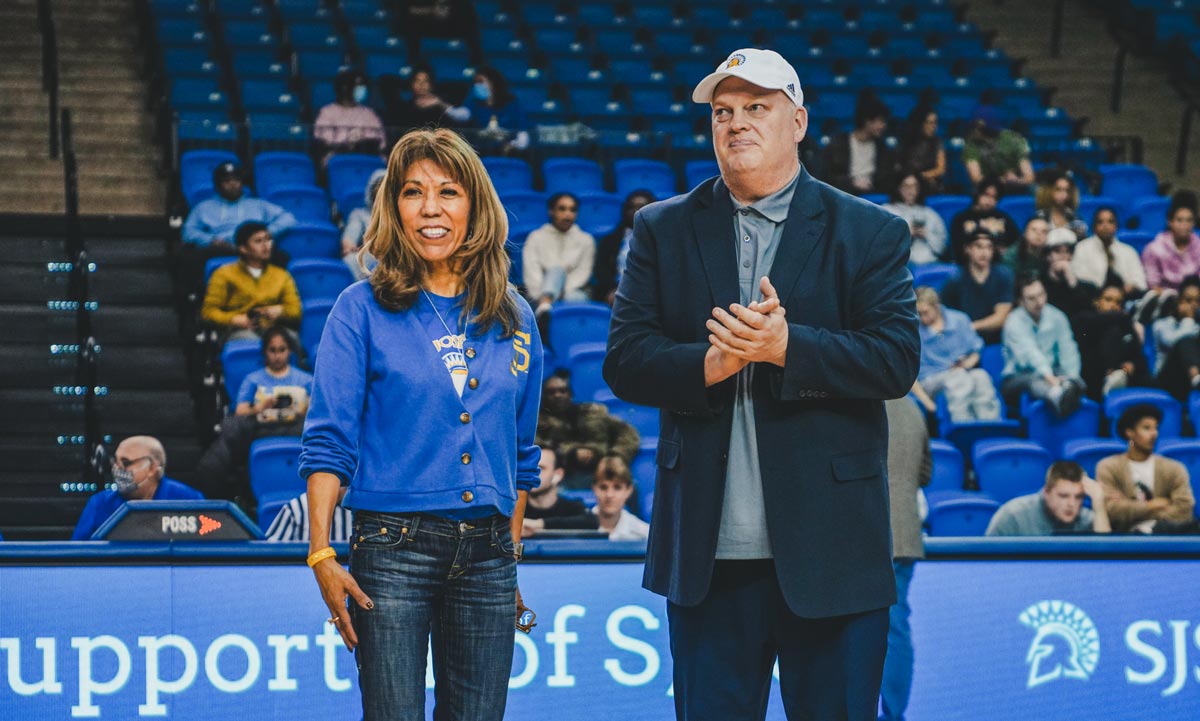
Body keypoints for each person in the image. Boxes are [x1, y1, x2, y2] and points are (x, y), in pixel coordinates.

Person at [603, 48, 919, 720]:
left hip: (834, 557)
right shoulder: (662, 228)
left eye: (756, 108)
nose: (736, 123)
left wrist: (787, 348)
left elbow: (895, 359)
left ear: (798, 121)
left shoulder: (869, 232)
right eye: (722, 112)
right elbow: (626, 359)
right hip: (708, 562)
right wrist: (708, 365)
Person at [298, 128, 544, 720]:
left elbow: (521, 453)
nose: (431, 209)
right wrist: (321, 555)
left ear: (475, 207)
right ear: (395, 209)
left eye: (449, 192)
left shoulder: (515, 315)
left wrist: (508, 556)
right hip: (391, 548)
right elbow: (329, 442)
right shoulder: (359, 308)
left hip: (488, 556)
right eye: (413, 193)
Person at [191, 326, 313, 504]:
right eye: (272, 350)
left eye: (282, 350)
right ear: (265, 352)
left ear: (290, 351)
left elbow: (318, 410)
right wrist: (260, 407)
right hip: (261, 427)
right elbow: (240, 411)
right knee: (235, 426)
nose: (277, 355)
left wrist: (304, 407)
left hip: (296, 427)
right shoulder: (253, 379)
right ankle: (214, 480)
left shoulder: (306, 380)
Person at [879, 397, 931, 721]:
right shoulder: (914, 409)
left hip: (866, 534)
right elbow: (926, 472)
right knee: (896, 627)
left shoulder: (854, 400)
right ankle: (894, 713)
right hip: (905, 534)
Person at [180, 162, 296, 293]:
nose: (233, 184)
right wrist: (210, 240)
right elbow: (188, 231)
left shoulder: (257, 204)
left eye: (236, 180)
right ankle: (196, 298)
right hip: (221, 247)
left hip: (252, 246)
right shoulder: (204, 207)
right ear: (218, 185)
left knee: (281, 256)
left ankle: (273, 296)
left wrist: (267, 233)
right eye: (227, 181)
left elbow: (288, 218)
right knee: (187, 257)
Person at [72, 436, 204, 540]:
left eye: (126, 463)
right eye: (115, 462)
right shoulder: (100, 503)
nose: (117, 469)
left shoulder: (189, 500)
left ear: (152, 468)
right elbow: (77, 555)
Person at [1096, 404, 1197, 533]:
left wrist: (1134, 511)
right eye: (1146, 428)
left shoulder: (1174, 468)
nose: (1154, 434)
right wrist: (1151, 505)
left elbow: (1185, 510)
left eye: (1156, 428)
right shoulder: (1108, 467)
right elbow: (1111, 510)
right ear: (1130, 432)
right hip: (1124, 540)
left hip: (1166, 537)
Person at [200, 221, 302, 346]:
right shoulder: (223, 274)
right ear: (243, 248)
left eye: (268, 239)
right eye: (258, 241)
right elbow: (208, 313)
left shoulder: (281, 275)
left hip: (273, 329)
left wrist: (280, 311)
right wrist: (234, 319)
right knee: (251, 342)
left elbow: (296, 310)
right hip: (237, 330)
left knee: (289, 339)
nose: (266, 246)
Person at [535, 371, 640, 489]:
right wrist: (571, 453)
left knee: (629, 486)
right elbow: (537, 448)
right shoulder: (537, 422)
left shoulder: (593, 413)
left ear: (570, 394)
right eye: (551, 392)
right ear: (543, 396)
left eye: (562, 391)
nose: (558, 395)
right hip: (561, 475)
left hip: (601, 470)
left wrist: (616, 455)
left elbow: (628, 433)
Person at [910, 287, 1000, 422]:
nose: (922, 318)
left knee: (981, 376)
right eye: (919, 313)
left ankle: (989, 425)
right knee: (958, 378)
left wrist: (968, 362)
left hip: (962, 371)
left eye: (925, 312)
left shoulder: (959, 320)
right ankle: (961, 426)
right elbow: (910, 376)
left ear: (937, 307)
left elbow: (975, 350)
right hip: (931, 379)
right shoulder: (914, 330)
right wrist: (929, 405)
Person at [1000, 274, 1085, 417]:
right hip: (1017, 377)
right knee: (1033, 381)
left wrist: (1071, 377)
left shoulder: (1057, 316)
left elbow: (1068, 350)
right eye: (1031, 298)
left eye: (1041, 295)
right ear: (1021, 301)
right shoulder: (1013, 322)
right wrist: (1051, 380)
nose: (1039, 302)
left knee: (1078, 381)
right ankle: (1058, 396)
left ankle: (1067, 391)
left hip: (1052, 371)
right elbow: (1030, 354)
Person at [985, 461, 1111, 536]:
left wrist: (1099, 505)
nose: (1071, 504)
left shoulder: (1088, 519)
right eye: (1063, 496)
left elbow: (1106, 563)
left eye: (1078, 497)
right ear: (1046, 492)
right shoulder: (1013, 516)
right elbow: (989, 563)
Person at [521, 192, 596, 314]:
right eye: (562, 209)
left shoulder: (586, 240)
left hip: (571, 293)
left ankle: (546, 306)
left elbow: (582, 274)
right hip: (537, 295)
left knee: (574, 297)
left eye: (572, 210)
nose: (567, 214)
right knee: (557, 271)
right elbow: (531, 272)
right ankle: (545, 305)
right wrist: (542, 293)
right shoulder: (536, 237)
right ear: (551, 211)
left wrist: (559, 293)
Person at [1074, 281, 1148, 399]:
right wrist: (1125, 316)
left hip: (1122, 377)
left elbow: (1140, 358)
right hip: (1094, 378)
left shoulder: (1125, 325)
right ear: (1097, 302)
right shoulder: (1084, 319)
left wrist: (1131, 365)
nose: (1113, 305)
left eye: (1118, 302)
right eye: (1108, 300)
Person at [940, 229, 1014, 344]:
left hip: (998, 338)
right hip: (963, 339)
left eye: (989, 247)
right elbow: (947, 316)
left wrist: (971, 326)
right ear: (967, 249)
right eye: (979, 247)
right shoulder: (955, 279)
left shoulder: (1003, 275)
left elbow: (1000, 318)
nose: (984, 253)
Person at [821, 90, 896, 195]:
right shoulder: (839, 143)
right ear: (867, 121)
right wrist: (852, 183)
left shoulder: (882, 148)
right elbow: (828, 175)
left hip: (872, 196)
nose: (883, 126)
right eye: (880, 121)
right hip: (843, 194)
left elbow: (885, 178)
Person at [520, 444, 600, 537]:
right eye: (529, 468)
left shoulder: (572, 508)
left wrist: (539, 524)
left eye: (541, 468)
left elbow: (591, 522)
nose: (532, 473)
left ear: (558, 475)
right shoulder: (515, 508)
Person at [313, 68, 387, 167]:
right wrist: (348, 143)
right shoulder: (327, 112)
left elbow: (380, 141)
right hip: (338, 157)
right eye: (358, 85)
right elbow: (325, 140)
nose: (362, 88)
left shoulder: (369, 113)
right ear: (345, 87)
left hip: (365, 157)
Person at [594, 189, 656, 304]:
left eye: (642, 207)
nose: (636, 211)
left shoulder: (662, 239)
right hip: (617, 289)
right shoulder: (611, 240)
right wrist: (613, 288)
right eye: (632, 207)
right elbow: (602, 269)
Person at [1071, 206, 1148, 295]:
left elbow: (1140, 280)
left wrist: (1131, 286)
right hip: (1093, 296)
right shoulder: (1082, 248)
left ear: (1116, 226)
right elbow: (1078, 276)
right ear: (1094, 226)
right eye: (1100, 222)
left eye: (1110, 222)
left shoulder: (1128, 251)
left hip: (1124, 296)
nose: (1105, 226)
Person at [962, 105, 1034, 194]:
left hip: (1016, 187)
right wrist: (1001, 180)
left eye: (974, 126)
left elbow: (1029, 177)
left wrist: (1015, 181)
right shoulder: (971, 144)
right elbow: (976, 178)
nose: (971, 130)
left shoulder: (1013, 139)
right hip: (986, 189)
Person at [947, 178, 1019, 261]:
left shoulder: (1003, 218)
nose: (989, 200)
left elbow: (1016, 244)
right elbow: (958, 250)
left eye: (994, 197)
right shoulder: (961, 219)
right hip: (969, 266)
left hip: (999, 265)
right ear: (978, 194)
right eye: (986, 195)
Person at [461, 65, 529, 154]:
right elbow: (462, 116)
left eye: (481, 81)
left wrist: (513, 145)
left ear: (493, 83)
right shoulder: (473, 103)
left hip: (508, 155)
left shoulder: (513, 105)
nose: (477, 85)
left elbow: (523, 135)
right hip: (480, 155)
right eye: (475, 82)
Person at [1152, 275, 1200, 400]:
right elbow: (1173, 342)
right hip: (1169, 378)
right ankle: (1196, 376)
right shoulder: (1162, 324)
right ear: (1179, 302)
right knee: (1185, 341)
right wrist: (1188, 319)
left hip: (1189, 383)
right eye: (1189, 300)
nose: (1194, 305)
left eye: (1198, 301)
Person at [882, 173, 947, 265]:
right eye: (906, 185)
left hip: (931, 262)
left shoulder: (930, 214)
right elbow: (881, 246)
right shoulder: (887, 211)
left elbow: (942, 248)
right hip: (899, 264)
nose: (910, 190)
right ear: (898, 188)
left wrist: (928, 235)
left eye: (914, 186)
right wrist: (906, 235)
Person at [1142, 191, 1200, 292]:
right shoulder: (1154, 249)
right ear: (1170, 222)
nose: (1184, 225)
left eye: (1189, 220)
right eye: (1179, 220)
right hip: (1165, 300)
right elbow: (1153, 284)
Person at [381, 65, 467, 132]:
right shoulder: (404, 108)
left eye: (426, 81)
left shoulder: (440, 107)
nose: (421, 85)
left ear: (431, 84)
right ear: (411, 84)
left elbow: (462, 119)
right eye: (417, 80)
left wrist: (439, 104)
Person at [1040, 226, 1098, 321]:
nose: (1064, 256)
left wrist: (1071, 281)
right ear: (1048, 255)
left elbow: (1087, 309)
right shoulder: (1040, 280)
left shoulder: (1081, 280)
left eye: (1068, 251)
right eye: (1057, 251)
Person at [590, 455, 649, 541]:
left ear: (629, 490)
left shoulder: (644, 534)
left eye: (617, 487)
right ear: (594, 488)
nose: (609, 495)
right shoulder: (577, 528)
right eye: (603, 487)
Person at [341, 168, 385, 281]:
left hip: (394, 257)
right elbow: (350, 239)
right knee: (351, 260)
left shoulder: (402, 217)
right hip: (370, 256)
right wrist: (349, 244)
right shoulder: (360, 215)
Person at [265, 489, 354, 542]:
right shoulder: (296, 508)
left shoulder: (359, 510)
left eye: (342, 481)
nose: (336, 486)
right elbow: (271, 556)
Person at [897, 104, 945, 193]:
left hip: (928, 183)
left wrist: (923, 176)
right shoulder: (906, 142)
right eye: (930, 123)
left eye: (935, 122)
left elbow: (940, 169)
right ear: (920, 123)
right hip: (907, 182)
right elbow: (900, 167)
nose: (934, 126)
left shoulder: (937, 142)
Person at [1034, 169, 1088, 238]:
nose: (1064, 195)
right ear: (1049, 191)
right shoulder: (1039, 217)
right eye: (1058, 189)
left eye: (1067, 190)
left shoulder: (1075, 217)